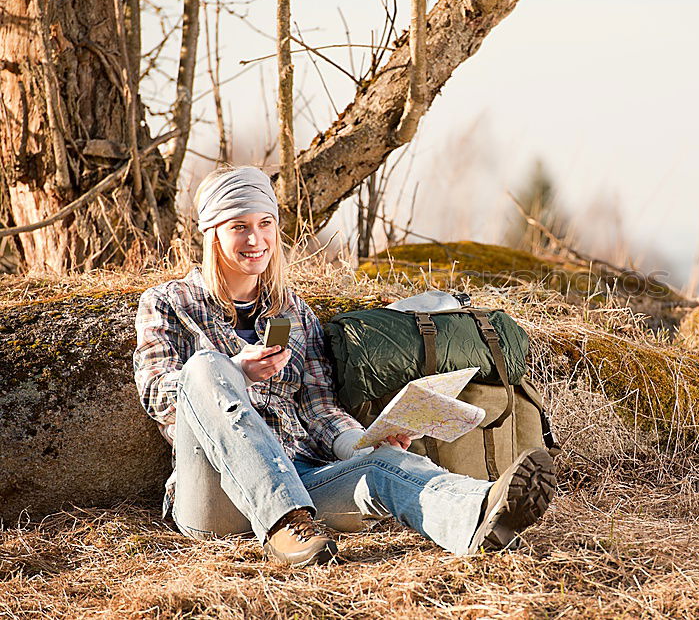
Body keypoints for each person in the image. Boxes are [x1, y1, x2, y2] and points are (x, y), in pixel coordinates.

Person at [133, 165, 555, 566]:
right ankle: (283, 522)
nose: (255, 238)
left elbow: (319, 407)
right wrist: (235, 371)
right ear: (211, 234)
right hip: (216, 496)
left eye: (265, 224)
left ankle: (478, 513)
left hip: (303, 482)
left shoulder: (292, 311)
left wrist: (362, 441)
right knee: (207, 367)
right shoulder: (168, 302)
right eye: (239, 226)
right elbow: (157, 393)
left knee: (385, 464)